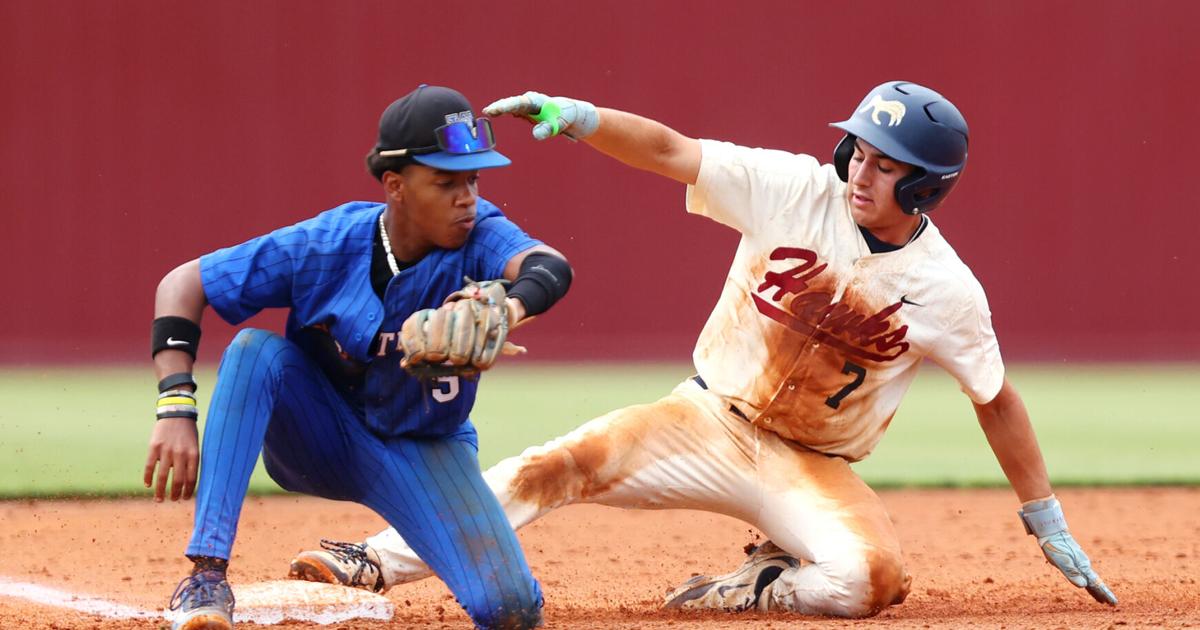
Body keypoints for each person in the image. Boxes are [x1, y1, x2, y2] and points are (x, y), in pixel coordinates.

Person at [286, 81, 1116, 618]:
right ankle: (377, 559)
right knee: (557, 462)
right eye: (859, 150)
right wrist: (581, 120)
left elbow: (995, 396)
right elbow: (673, 150)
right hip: (706, 420)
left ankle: (753, 586)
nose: (862, 171)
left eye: (889, 166)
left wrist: (1043, 517)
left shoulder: (947, 289)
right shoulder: (795, 188)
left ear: (928, 188)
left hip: (811, 464)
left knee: (873, 581)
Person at [144, 84, 574, 630]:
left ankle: (381, 556)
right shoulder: (326, 243)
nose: (466, 196)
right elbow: (183, 284)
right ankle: (206, 577)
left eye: (473, 178)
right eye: (445, 182)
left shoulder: (481, 230)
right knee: (254, 351)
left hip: (424, 450)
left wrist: (509, 309)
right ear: (395, 186)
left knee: (509, 610)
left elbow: (550, 267)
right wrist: (175, 405)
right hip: (317, 437)